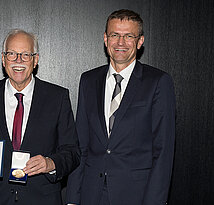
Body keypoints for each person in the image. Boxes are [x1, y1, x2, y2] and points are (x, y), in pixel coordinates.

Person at [0, 29, 80, 204]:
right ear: (3, 58)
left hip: (42, 199)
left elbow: (72, 151)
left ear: (35, 60)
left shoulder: (57, 97)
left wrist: (50, 163)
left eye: (25, 55)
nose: (18, 60)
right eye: (12, 54)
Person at [66, 9, 176, 205]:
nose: (120, 42)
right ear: (105, 39)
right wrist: (73, 198)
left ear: (140, 41)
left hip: (136, 194)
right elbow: (81, 145)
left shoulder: (158, 82)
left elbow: (163, 150)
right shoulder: (89, 80)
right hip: (91, 193)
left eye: (129, 36)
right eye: (115, 35)